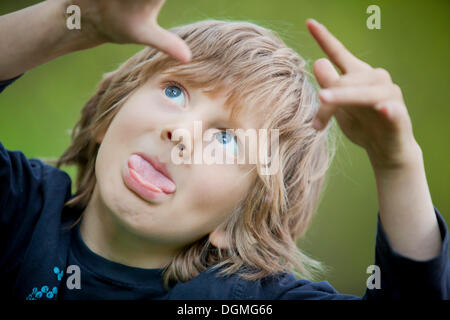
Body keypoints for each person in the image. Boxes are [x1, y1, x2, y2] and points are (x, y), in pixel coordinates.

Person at [0, 0, 448, 300]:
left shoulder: (244, 302)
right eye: (175, 91)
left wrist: (396, 163)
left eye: (227, 139)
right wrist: (71, 19)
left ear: (239, 222)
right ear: (107, 116)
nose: (182, 134)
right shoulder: (21, 209)